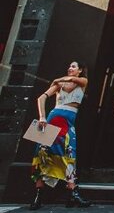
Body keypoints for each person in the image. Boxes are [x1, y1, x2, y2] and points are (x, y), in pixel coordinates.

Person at [30, 60, 91, 209]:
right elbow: (41, 98)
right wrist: (42, 117)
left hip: (67, 121)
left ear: (80, 70)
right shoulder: (59, 85)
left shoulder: (82, 81)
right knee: (41, 154)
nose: (70, 68)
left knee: (69, 154)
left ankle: (72, 194)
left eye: (73, 66)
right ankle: (38, 196)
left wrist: (57, 79)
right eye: (69, 65)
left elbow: (71, 80)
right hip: (52, 117)